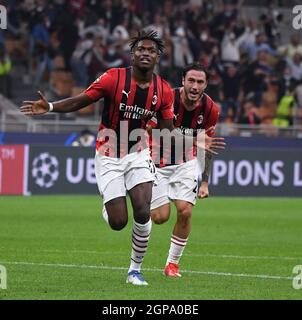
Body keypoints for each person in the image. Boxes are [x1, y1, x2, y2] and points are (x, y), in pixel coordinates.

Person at [20, 30, 224, 286]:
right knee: (119, 221)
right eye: (141, 49)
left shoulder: (162, 89)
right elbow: (82, 100)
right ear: (132, 54)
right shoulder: (112, 78)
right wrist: (50, 107)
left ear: (158, 56)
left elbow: (167, 130)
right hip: (108, 152)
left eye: (151, 50)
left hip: (139, 153)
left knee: (143, 210)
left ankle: (134, 271)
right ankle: (110, 204)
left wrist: (194, 142)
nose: (145, 53)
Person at [150, 63, 221, 278]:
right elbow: (152, 131)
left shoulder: (210, 109)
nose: (195, 85)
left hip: (185, 163)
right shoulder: (166, 100)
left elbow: (206, 146)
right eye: (191, 80)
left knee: (186, 211)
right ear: (183, 81)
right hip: (157, 162)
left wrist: (206, 182)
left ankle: (172, 265)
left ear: (206, 84)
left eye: (200, 82)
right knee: (160, 217)